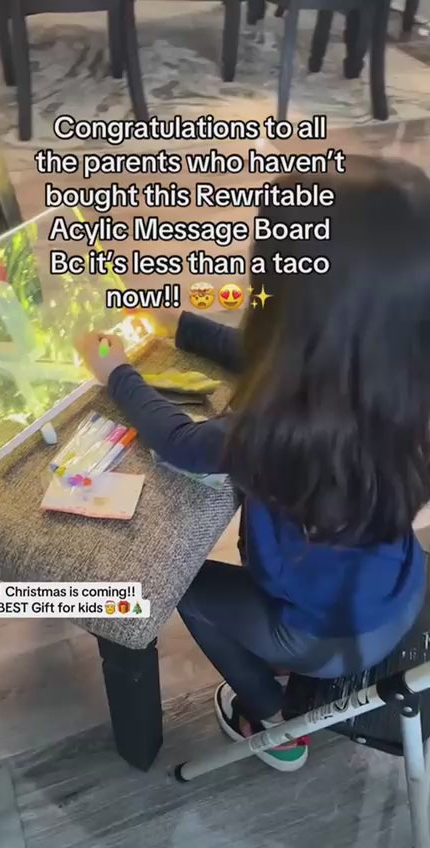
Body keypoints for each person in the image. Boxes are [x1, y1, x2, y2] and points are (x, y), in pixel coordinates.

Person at [76, 155, 430, 772]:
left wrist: (117, 372)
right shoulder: (398, 379)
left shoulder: (275, 434)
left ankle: (270, 715)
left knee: (179, 585)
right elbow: (284, 355)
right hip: (402, 589)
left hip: (328, 636)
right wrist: (181, 325)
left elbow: (178, 439)